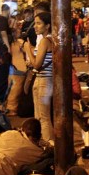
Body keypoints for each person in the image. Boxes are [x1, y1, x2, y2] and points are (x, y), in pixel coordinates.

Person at [23, 12, 54, 143]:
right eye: (34, 23)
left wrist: (27, 49)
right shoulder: (48, 40)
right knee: (39, 116)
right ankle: (42, 142)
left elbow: (37, 63)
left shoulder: (45, 41)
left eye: (38, 23)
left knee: (44, 117)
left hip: (44, 81)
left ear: (47, 26)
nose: (35, 26)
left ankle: (49, 144)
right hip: (41, 80)